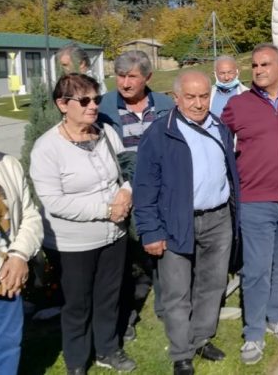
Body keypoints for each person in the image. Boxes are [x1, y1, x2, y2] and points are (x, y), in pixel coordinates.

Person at [133, 70, 240, 375]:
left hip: (218, 218)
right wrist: (150, 231)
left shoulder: (219, 126)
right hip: (175, 221)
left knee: (213, 284)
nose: (198, 103)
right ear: (176, 98)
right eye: (190, 97)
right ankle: (181, 353)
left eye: (204, 96)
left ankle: (201, 338)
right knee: (176, 291)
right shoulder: (160, 133)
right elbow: (144, 187)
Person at [30, 74, 136, 374]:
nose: (93, 106)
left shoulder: (106, 132)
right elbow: (55, 201)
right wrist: (106, 209)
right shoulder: (46, 148)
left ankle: (107, 350)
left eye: (97, 99)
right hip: (73, 243)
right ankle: (77, 361)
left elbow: (128, 167)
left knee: (109, 297)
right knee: (77, 304)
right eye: (85, 100)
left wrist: (126, 192)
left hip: (114, 235)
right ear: (62, 105)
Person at [221, 43, 278, 365]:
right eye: (255, 65)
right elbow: (219, 141)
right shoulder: (238, 105)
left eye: (265, 64)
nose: (258, 70)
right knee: (257, 268)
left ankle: (277, 314)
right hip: (256, 200)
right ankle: (254, 332)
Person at [97, 50, 174, 340]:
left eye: (132, 76)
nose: (125, 83)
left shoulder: (165, 105)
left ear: (147, 77)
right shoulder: (103, 106)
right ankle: (126, 314)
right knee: (124, 259)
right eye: (120, 76)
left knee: (163, 252)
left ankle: (167, 307)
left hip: (160, 192)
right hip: (121, 193)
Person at [0, 96, 43, 375]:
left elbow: (30, 215)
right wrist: (0, 270)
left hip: (9, 277)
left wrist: (18, 257)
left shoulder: (8, 164)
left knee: (8, 345)